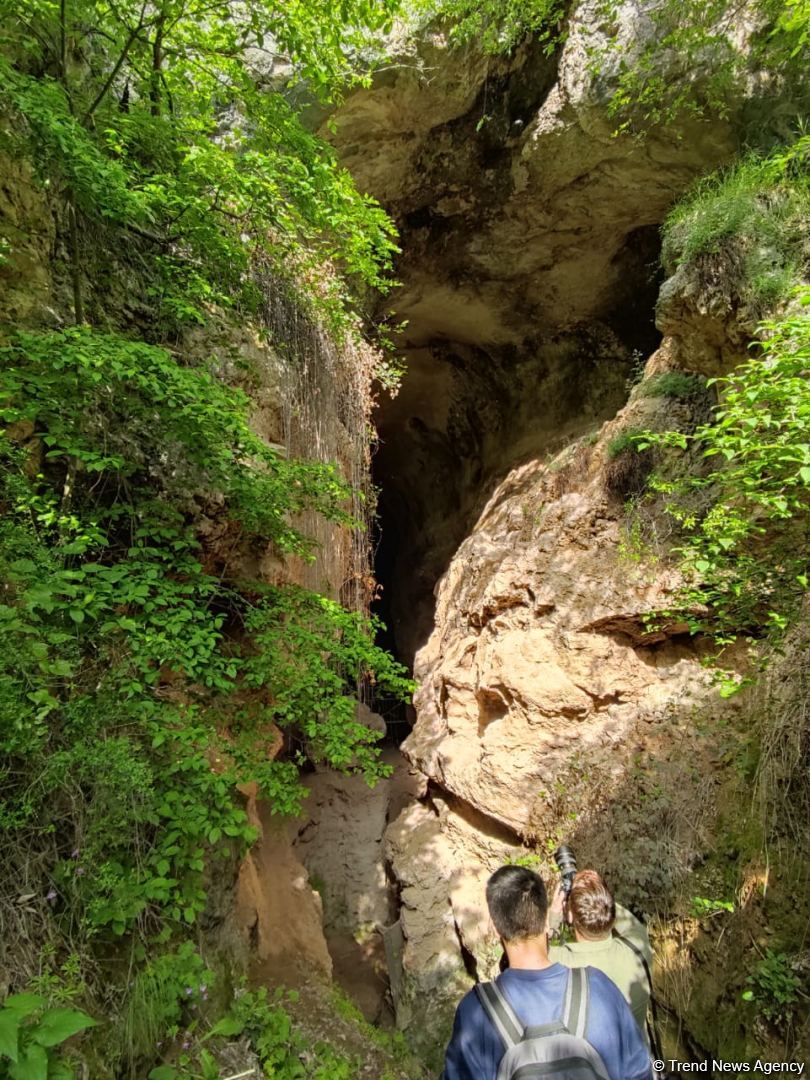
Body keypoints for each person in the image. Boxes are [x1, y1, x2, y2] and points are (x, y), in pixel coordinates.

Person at [441, 865, 653, 1080]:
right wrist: (590, 893)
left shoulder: (477, 1010)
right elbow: (638, 1072)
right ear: (544, 921)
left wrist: (557, 915)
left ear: (494, 928)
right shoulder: (600, 987)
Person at [548, 869, 653, 1041]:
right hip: (638, 1055)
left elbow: (524, 953)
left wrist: (552, 921)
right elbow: (625, 919)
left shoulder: (556, 962)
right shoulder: (638, 947)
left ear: (570, 915)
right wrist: (595, 893)